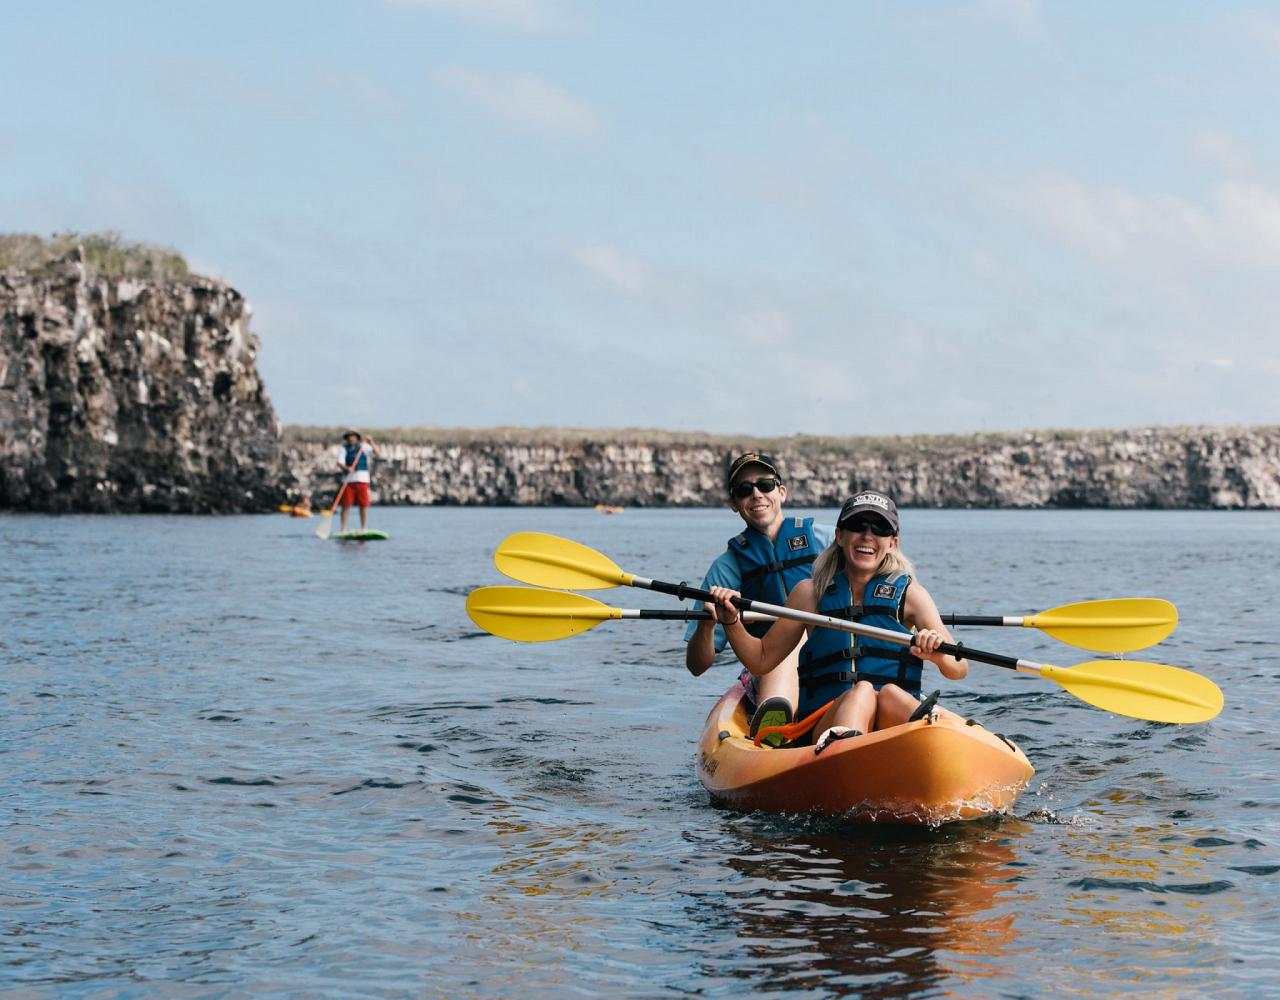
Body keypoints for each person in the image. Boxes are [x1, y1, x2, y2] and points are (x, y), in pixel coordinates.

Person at [709, 490, 968, 754]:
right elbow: (760, 659)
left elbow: (958, 668)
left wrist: (937, 655)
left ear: (892, 543)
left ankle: (932, 744)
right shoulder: (809, 593)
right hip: (823, 723)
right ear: (839, 536)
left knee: (888, 693)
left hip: (891, 725)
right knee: (863, 691)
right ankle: (847, 749)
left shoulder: (912, 595)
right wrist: (731, 622)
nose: (867, 536)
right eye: (857, 526)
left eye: (879, 529)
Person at [685, 452, 834, 744]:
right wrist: (707, 622)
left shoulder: (829, 541)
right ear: (733, 503)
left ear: (781, 491)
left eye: (764, 485)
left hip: (833, 660)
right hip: (768, 664)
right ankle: (774, 731)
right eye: (744, 489)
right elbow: (696, 665)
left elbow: (880, 561)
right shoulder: (727, 568)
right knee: (788, 636)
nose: (756, 494)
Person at [336, 430, 381, 532]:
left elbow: (378, 454)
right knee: (346, 505)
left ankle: (364, 528)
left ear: (357, 437)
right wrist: (347, 468)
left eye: (353, 436)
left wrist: (371, 442)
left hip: (363, 480)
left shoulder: (364, 447)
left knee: (363, 505)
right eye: (349, 437)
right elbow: (339, 463)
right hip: (348, 481)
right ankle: (343, 528)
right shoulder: (343, 449)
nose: (351, 438)